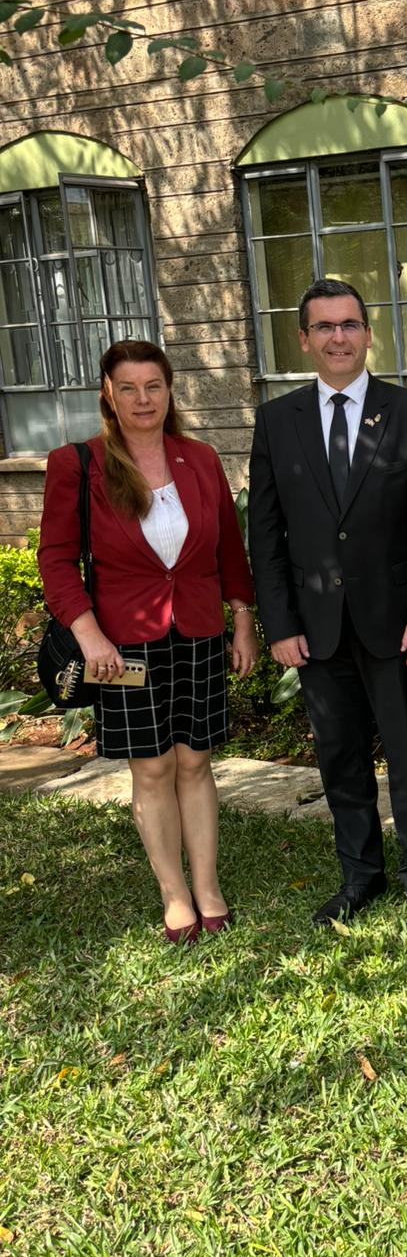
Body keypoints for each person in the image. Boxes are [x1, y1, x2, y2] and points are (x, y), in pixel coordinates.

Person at [248, 278, 407, 929]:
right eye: (325, 327)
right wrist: (278, 622)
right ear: (304, 339)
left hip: (397, 627)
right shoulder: (277, 422)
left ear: (368, 334)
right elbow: (266, 529)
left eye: (350, 325)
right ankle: (360, 877)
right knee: (339, 757)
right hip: (315, 629)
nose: (338, 337)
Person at [38, 340, 257, 944]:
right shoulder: (77, 464)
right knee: (155, 768)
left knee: (195, 761)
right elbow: (55, 561)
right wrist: (88, 635)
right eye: (128, 387)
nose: (143, 399)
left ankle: (208, 885)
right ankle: (175, 894)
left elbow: (227, 551)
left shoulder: (199, 458)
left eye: (153, 386)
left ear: (169, 390)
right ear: (108, 393)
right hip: (120, 644)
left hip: (197, 633)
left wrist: (242, 618)